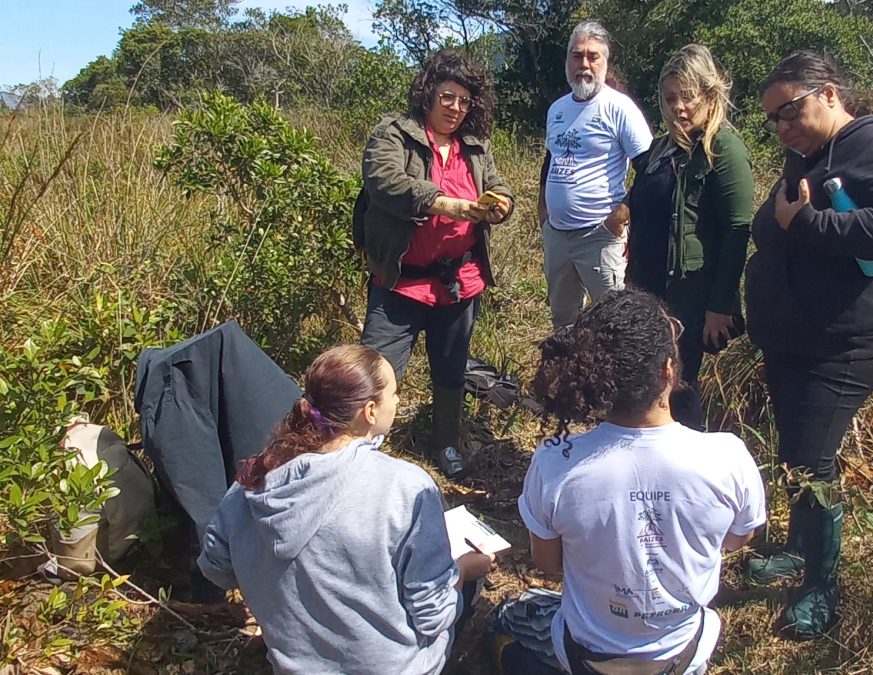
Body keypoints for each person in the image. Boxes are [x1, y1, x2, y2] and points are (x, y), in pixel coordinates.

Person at [744, 50, 873, 639]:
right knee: (798, 453)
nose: (783, 126)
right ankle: (799, 552)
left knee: (815, 460)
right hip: (794, 337)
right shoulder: (808, 154)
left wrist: (806, 225)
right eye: (774, 118)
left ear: (828, 93)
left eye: (790, 110)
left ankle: (820, 587)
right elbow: (778, 220)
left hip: (844, 343)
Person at [198, 345, 494, 674]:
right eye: (394, 393)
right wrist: (463, 571)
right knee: (467, 585)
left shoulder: (255, 478)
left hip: (294, 665)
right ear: (369, 410)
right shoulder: (404, 487)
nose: (397, 401)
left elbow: (216, 567)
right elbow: (432, 615)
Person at [515, 290, 767, 674]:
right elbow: (736, 539)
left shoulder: (556, 462)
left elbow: (548, 563)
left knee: (508, 617)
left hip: (585, 654)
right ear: (668, 368)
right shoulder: (726, 458)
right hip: (683, 653)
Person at [357, 49, 514, 480]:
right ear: (428, 93)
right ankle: (359, 456)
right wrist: (445, 203)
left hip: (460, 283)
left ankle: (446, 442)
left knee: (450, 370)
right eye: (448, 96)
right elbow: (385, 181)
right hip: (401, 285)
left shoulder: (475, 147)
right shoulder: (394, 134)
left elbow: (499, 187)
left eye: (465, 101)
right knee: (374, 374)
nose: (456, 108)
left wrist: (501, 205)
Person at [626, 44, 755, 430]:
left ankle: (691, 472)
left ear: (710, 95)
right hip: (645, 287)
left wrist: (720, 305)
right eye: (669, 99)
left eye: (688, 97)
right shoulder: (659, 150)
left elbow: (737, 229)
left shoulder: (723, 149)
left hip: (690, 295)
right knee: (648, 382)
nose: (678, 107)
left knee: (680, 384)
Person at [540, 20, 653, 327]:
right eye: (577, 56)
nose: (584, 64)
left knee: (611, 323)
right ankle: (569, 375)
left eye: (593, 56)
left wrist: (621, 214)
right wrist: (544, 214)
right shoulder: (557, 110)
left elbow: (650, 168)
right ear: (567, 61)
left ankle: (615, 377)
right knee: (563, 321)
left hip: (600, 237)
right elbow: (550, 160)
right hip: (558, 237)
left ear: (605, 62)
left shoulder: (619, 108)